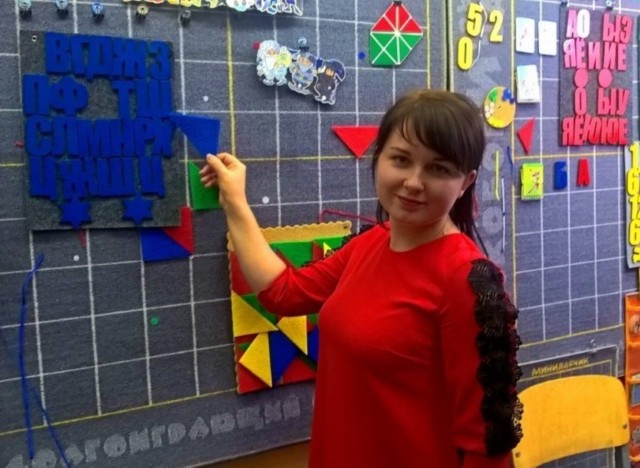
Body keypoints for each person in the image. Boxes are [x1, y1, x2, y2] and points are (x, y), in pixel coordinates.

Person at [200, 89, 522, 468]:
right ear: (379, 158)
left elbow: (487, 445)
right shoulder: (369, 244)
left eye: (438, 169)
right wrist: (236, 202)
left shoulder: (466, 281)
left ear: (465, 182)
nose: (414, 181)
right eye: (401, 159)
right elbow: (283, 293)